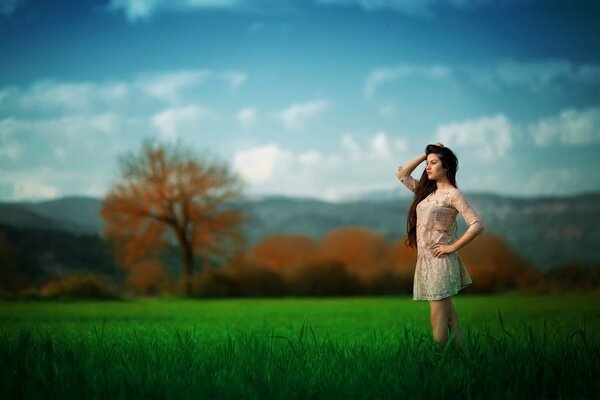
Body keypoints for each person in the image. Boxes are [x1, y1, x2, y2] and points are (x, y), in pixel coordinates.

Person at [395, 142, 484, 352]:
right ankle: (463, 359)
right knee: (451, 321)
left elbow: (477, 225)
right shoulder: (427, 193)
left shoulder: (453, 195)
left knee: (438, 320)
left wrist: (452, 247)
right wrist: (425, 153)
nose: (428, 167)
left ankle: (439, 362)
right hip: (425, 261)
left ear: (446, 167)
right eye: (427, 163)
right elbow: (401, 174)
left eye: (433, 163)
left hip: (440, 262)